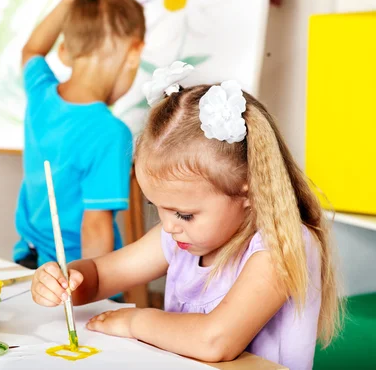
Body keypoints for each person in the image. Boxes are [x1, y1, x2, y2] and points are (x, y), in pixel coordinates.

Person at [31, 62, 341, 370]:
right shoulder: (180, 236)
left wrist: (137, 321)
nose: (168, 226)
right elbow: (100, 276)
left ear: (248, 193)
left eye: (184, 214)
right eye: (157, 207)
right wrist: (66, 280)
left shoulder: (282, 245)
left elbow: (215, 341)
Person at [14, 0, 146, 269]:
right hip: (75, 276)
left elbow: (32, 50)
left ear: (63, 50)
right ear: (134, 52)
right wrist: (96, 296)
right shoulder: (111, 133)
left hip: (29, 261)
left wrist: (68, 1)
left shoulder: (40, 94)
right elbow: (95, 225)